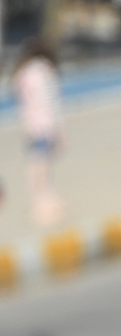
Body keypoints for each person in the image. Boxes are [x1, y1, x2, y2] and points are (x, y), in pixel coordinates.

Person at [13, 41, 64, 227]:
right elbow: (51, 101)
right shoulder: (44, 72)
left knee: (35, 163)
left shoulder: (23, 73)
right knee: (42, 164)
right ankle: (42, 201)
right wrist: (59, 127)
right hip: (45, 124)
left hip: (29, 125)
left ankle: (37, 200)